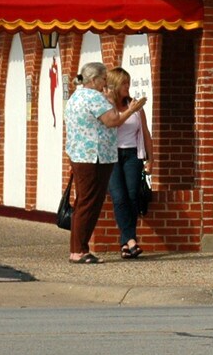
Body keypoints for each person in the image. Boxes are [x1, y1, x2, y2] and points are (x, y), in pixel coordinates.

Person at [61, 60, 147, 264]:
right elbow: (113, 121)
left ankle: (76, 249)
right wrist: (132, 109)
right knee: (89, 203)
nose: (106, 82)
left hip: (80, 155)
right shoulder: (94, 97)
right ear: (94, 79)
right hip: (94, 157)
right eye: (104, 78)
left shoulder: (76, 96)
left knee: (82, 202)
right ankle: (80, 250)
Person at [106, 67, 154, 259]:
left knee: (132, 195)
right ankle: (131, 240)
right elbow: (114, 123)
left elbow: (145, 132)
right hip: (112, 155)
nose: (128, 87)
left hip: (133, 153)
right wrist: (130, 111)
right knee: (119, 197)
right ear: (116, 85)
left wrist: (151, 159)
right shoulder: (106, 107)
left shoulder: (135, 107)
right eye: (124, 83)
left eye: (129, 83)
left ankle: (126, 243)